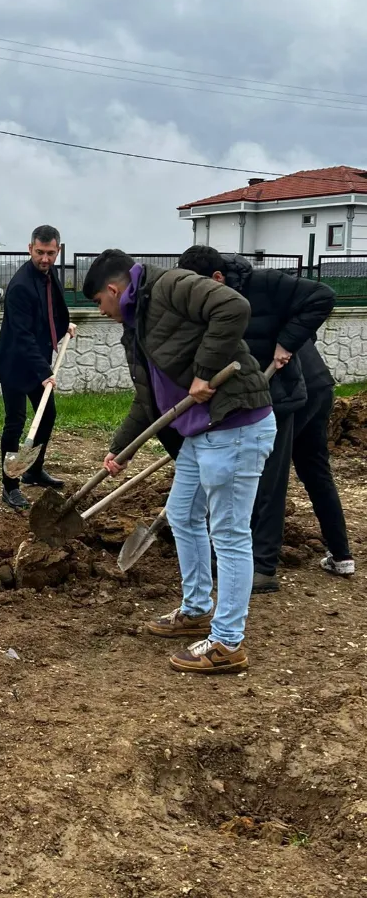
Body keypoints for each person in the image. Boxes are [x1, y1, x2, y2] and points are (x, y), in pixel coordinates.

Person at [84, 249, 275, 674]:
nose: (102, 311)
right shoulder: (135, 327)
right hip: (199, 432)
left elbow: (232, 306)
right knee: (184, 515)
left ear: (114, 290)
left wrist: (204, 371)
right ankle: (196, 609)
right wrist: (121, 448)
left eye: (100, 302)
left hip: (235, 424)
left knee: (228, 532)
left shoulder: (169, 286)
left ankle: (228, 642)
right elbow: (146, 398)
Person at [177, 247, 335, 593]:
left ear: (217, 279)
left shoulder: (265, 284)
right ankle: (227, 554)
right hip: (243, 400)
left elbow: (322, 296)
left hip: (279, 396)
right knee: (236, 480)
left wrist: (287, 341)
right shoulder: (211, 303)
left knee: (269, 483)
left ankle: (264, 566)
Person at [0, 225, 76, 509]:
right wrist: (45, 373)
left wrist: (65, 326)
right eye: (39, 252)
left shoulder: (49, 274)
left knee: (47, 415)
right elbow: (22, 335)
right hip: (15, 365)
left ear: (58, 251)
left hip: (38, 363)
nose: (45, 258)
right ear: (30, 249)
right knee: (15, 423)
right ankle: (9, 486)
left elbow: (50, 311)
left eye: (50, 253)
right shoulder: (19, 286)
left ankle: (33, 470)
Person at [293, 338, 354, 576]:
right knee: (317, 472)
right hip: (318, 382)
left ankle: (262, 562)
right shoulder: (285, 301)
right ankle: (342, 556)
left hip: (290, 388)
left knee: (266, 475)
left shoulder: (237, 304)